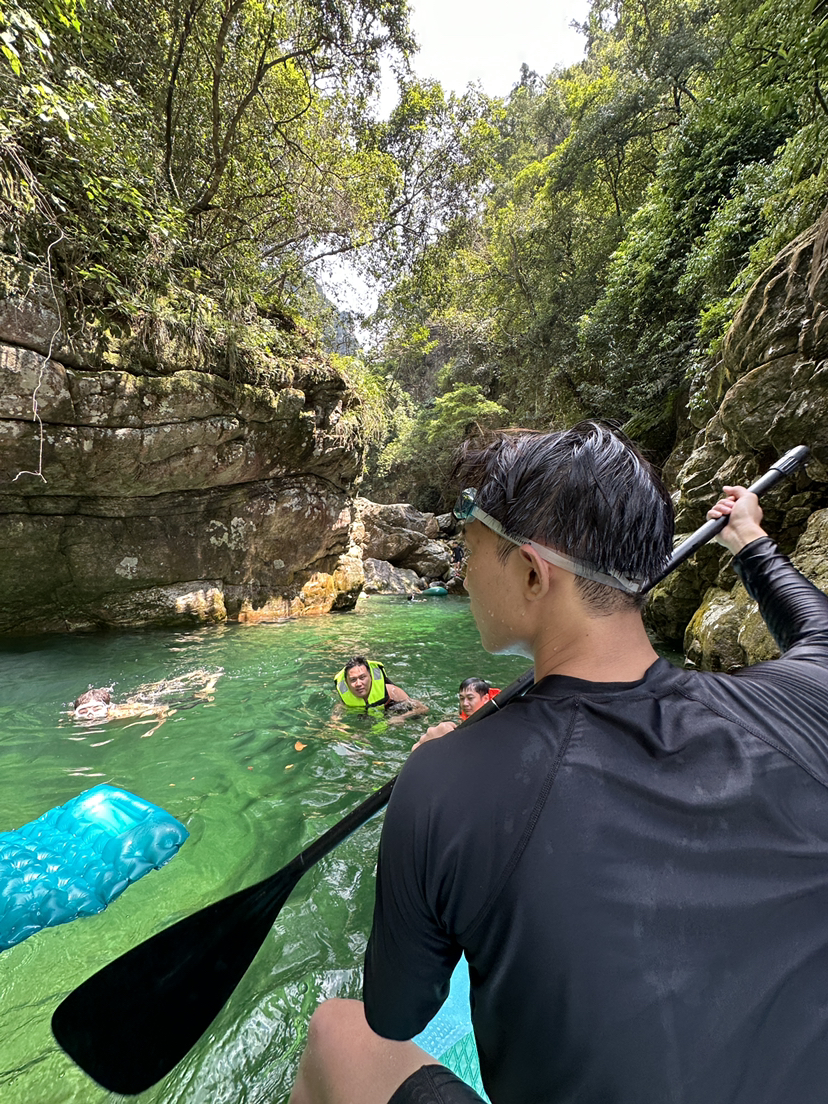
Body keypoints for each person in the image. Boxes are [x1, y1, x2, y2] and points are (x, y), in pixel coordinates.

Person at [288, 422, 828, 1104]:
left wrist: (424, 798)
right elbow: (818, 630)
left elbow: (396, 1016)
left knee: (336, 1032)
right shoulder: (803, 705)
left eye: (470, 550)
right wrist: (751, 540)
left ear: (531, 573)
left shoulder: (444, 781)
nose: (462, 572)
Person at [70, 669, 222, 736]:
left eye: (96, 709)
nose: (90, 715)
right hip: (133, 700)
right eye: (83, 711)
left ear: (108, 708)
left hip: (147, 704)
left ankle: (209, 684)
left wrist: (156, 726)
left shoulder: (121, 714)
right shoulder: (75, 716)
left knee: (191, 701)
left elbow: (160, 709)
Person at [333, 656, 428, 725]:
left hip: (394, 717)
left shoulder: (391, 691)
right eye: (353, 680)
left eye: (362, 677)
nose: (358, 684)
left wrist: (401, 717)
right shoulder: (344, 702)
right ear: (347, 682)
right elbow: (334, 723)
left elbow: (423, 708)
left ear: (371, 677)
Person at [412, 678, 501, 751]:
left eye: (470, 698)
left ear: (485, 699)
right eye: (462, 698)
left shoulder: (496, 715)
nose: (465, 703)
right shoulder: (460, 715)